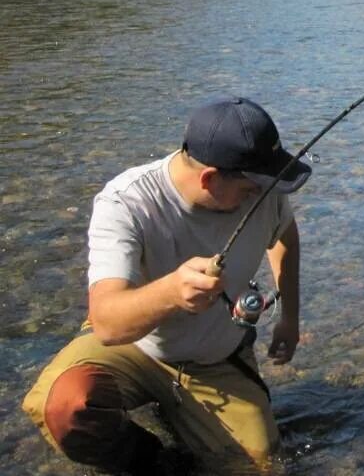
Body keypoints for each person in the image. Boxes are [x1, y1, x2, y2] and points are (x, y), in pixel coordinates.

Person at [22, 97, 312, 473]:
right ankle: (153, 461)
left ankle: (192, 420)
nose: (261, 193)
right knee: (67, 407)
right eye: (250, 187)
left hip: (215, 358)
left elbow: (285, 234)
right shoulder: (126, 202)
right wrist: (171, 292)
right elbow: (107, 322)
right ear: (208, 179)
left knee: (259, 466)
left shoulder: (265, 193)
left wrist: (290, 316)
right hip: (136, 347)